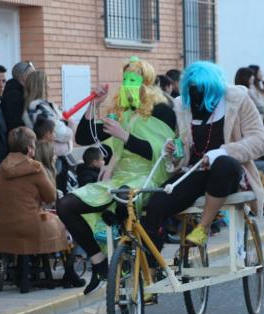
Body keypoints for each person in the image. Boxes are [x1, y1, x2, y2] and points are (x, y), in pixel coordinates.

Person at [57, 57, 176, 295]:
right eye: (125, 80)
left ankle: (137, 256)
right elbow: (84, 137)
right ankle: (100, 262)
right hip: (120, 178)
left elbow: (160, 154)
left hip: (148, 176)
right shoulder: (122, 113)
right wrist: (95, 104)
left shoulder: (162, 110)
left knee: (123, 198)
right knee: (65, 205)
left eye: (134, 79)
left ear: (147, 82)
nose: (128, 84)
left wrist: (125, 137)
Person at [142, 61, 264, 262]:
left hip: (228, 174)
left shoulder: (238, 100)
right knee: (156, 203)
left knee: (224, 164)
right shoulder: (182, 105)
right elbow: (179, 144)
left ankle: (203, 227)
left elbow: (260, 142)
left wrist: (223, 151)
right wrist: (172, 149)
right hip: (194, 172)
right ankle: (151, 269)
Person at [0, 127, 78, 292]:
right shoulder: (35, 168)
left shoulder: (2, 166)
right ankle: (70, 272)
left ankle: (22, 274)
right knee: (66, 225)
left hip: (2, 226)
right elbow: (51, 196)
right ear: (30, 148)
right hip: (30, 226)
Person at [23, 70, 74, 194]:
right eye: (47, 84)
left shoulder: (33, 107)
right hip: (51, 157)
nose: (49, 87)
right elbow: (61, 133)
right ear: (41, 86)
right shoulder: (39, 107)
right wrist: (70, 127)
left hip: (50, 156)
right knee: (57, 196)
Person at [2, 61, 35, 132]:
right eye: (32, 75)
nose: (34, 78)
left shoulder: (19, 91)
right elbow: (16, 123)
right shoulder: (14, 95)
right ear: (23, 77)